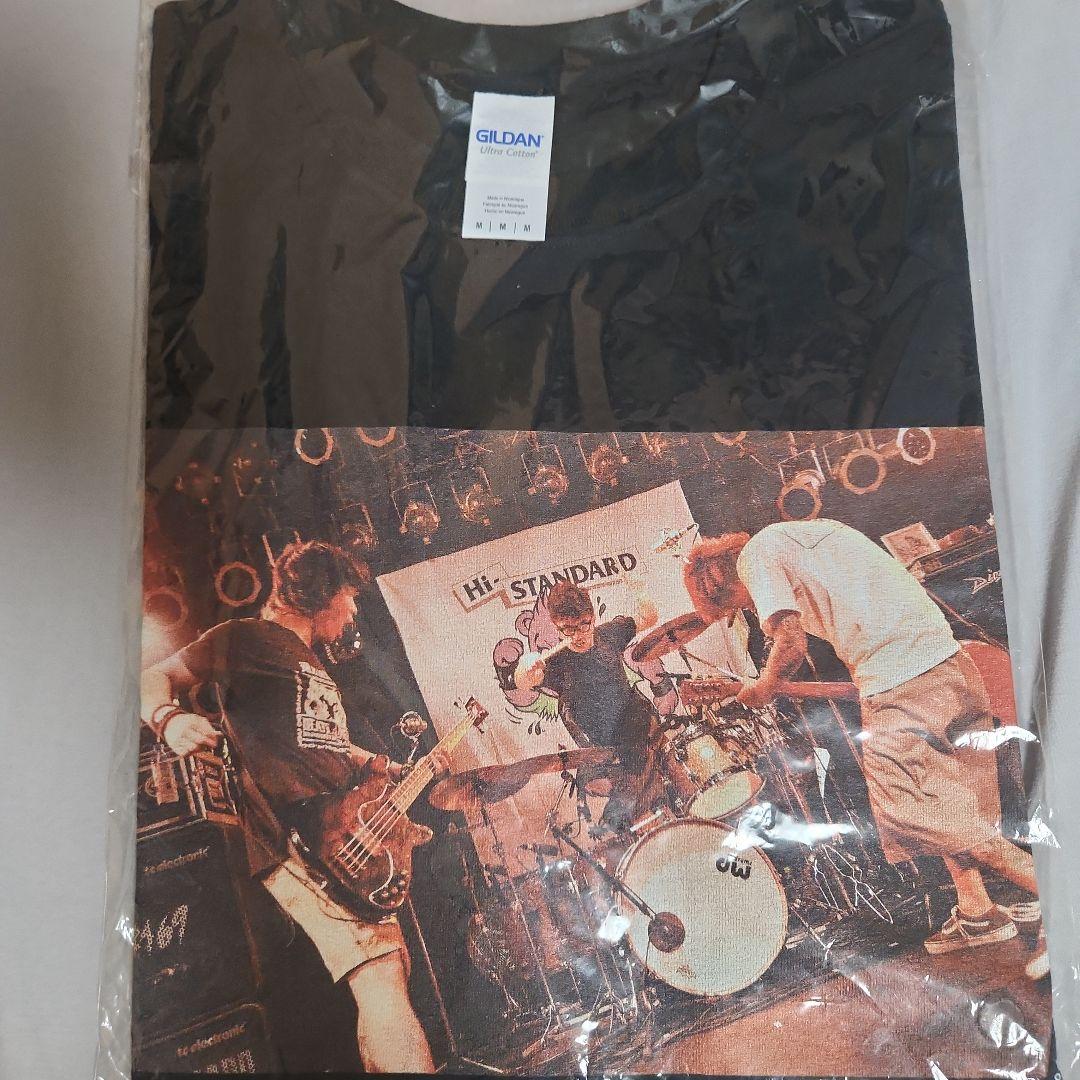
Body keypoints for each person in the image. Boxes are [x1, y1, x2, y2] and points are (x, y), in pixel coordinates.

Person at [682, 521, 1047, 979]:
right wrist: (761, 687)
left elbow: (789, 642)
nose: (752, 609)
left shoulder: (756, 557)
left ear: (718, 582)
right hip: (948, 666)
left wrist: (764, 685)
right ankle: (977, 910)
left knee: (911, 809)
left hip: (902, 680)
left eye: (739, 605)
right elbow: (856, 682)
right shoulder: (811, 536)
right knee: (944, 806)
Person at [140, 540, 449, 1072]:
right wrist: (169, 719)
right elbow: (153, 675)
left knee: (383, 973)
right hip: (295, 836)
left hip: (338, 831)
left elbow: (324, 743)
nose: (352, 612)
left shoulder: (305, 659)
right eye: (348, 598)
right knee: (379, 975)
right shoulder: (246, 637)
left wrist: (381, 764)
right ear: (321, 594)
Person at [514, 579, 666, 829]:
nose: (578, 635)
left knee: (657, 768)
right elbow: (523, 681)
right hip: (604, 746)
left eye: (584, 624)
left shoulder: (610, 633)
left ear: (592, 616)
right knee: (620, 798)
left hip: (638, 724)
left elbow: (649, 617)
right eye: (567, 629)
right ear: (556, 626)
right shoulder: (555, 662)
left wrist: (638, 588)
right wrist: (527, 664)